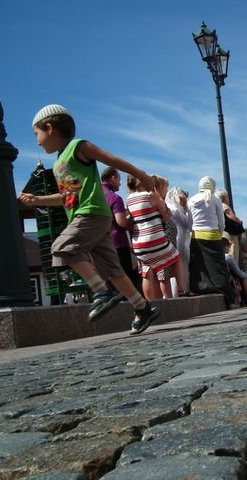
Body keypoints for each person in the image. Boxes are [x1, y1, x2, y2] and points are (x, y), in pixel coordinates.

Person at [18, 104, 158, 334]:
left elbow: (111, 160)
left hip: (90, 213)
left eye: (37, 134)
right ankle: (143, 308)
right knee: (113, 270)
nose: (37, 141)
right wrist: (38, 200)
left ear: (50, 128)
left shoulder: (78, 147)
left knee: (62, 247)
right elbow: (67, 196)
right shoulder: (59, 164)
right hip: (88, 216)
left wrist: (141, 174)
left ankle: (100, 291)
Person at [126, 174, 188, 300]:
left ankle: (150, 303)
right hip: (155, 237)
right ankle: (181, 290)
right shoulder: (150, 196)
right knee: (176, 258)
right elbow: (165, 216)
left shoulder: (129, 199)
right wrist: (166, 213)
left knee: (147, 271)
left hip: (138, 242)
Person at [187, 176, 236, 305]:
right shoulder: (215, 199)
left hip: (197, 236)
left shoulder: (191, 200)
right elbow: (221, 222)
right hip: (213, 235)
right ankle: (226, 294)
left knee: (200, 266)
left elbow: (189, 223)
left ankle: (203, 289)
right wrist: (218, 235)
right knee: (218, 266)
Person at [100, 166, 138, 289]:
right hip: (118, 244)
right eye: (119, 179)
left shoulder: (96, 195)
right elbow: (121, 222)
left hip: (100, 243)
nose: (120, 184)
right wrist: (133, 226)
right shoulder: (114, 198)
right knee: (126, 279)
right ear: (113, 178)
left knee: (109, 282)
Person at [166, 187, 192, 290]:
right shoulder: (175, 209)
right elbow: (188, 223)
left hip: (179, 237)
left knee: (179, 266)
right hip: (179, 238)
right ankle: (182, 289)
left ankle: (179, 289)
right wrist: (186, 208)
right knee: (182, 265)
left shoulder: (170, 207)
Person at [216, 189, 244, 267]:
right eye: (227, 197)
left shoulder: (217, 206)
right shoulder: (224, 205)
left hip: (223, 234)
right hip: (230, 236)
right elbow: (231, 216)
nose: (228, 198)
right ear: (224, 197)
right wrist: (239, 221)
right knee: (233, 258)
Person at [223, 237, 247, 306]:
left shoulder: (214, 257)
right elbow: (239, 273)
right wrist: (246, 275)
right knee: (242, 277)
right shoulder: (227, 257)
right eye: (229, 247)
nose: (229, 249)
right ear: (225, 247)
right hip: (226, 282)